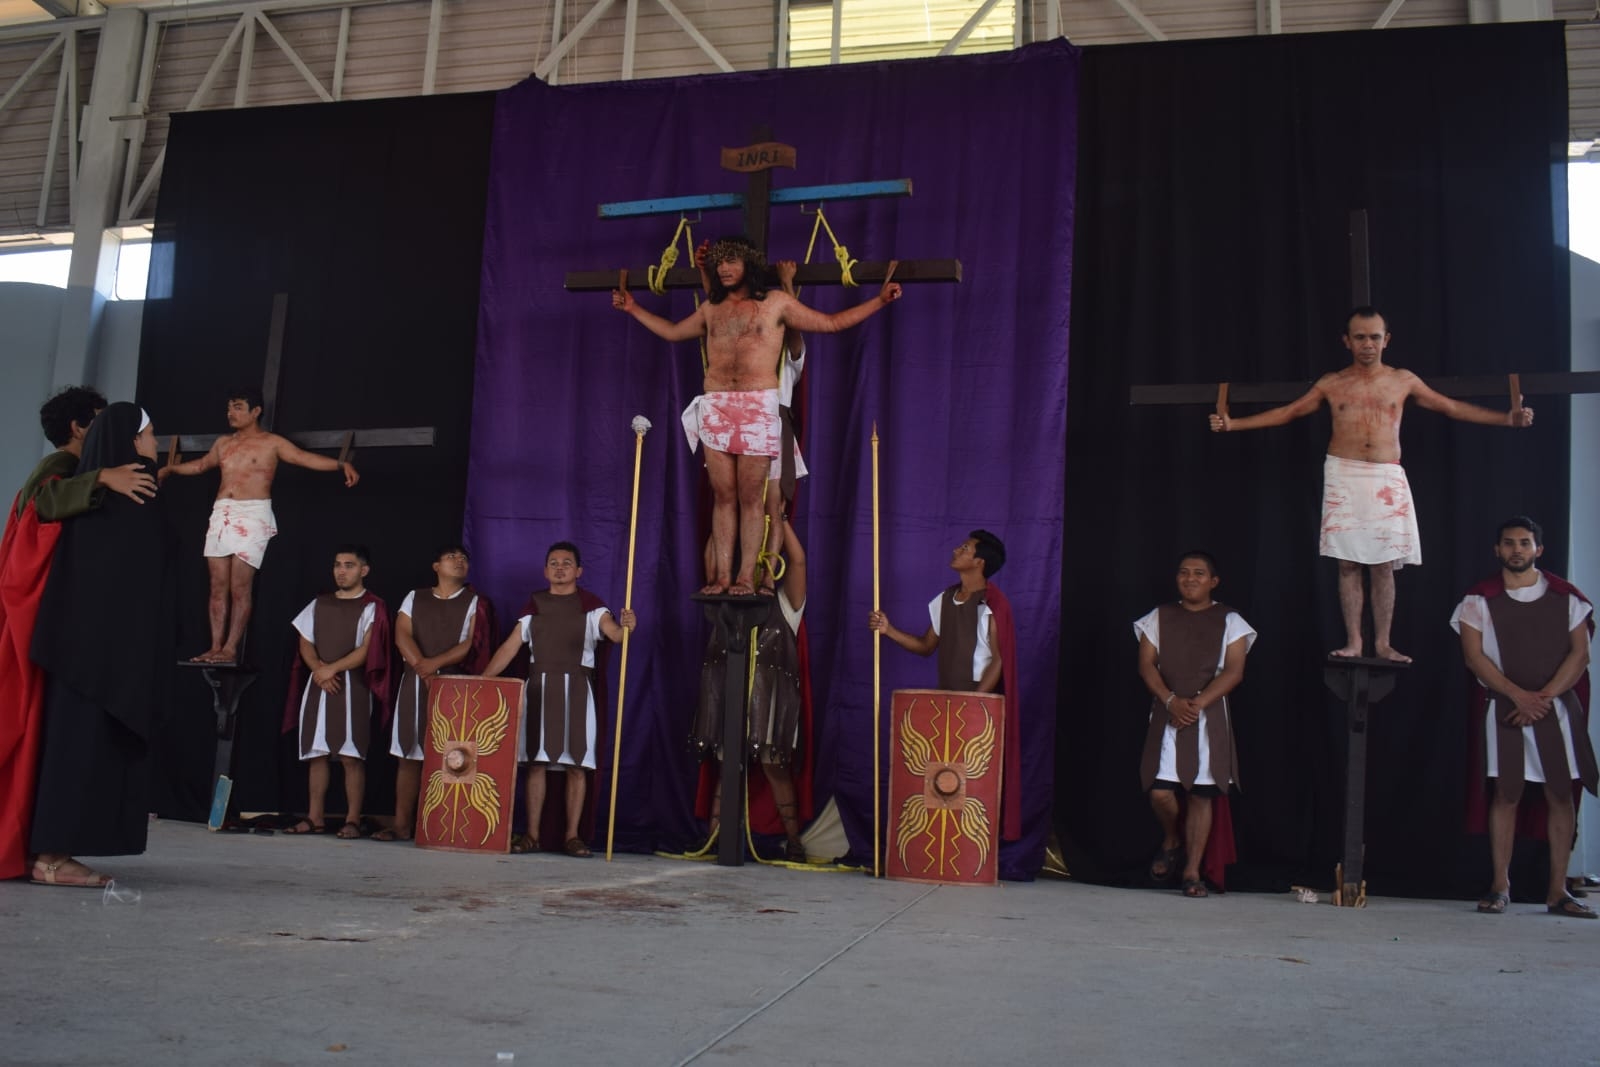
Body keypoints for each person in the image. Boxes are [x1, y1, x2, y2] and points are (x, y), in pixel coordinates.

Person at [1209, 307, 1533, 662]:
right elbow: (1290, 412)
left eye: (1375, 337)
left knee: (1384, 564)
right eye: (1360, 337)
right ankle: (1354, 642)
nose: (1368, 344)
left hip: (1385, 475)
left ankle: (1382, 643)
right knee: (1347, 563)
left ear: (1386, 340)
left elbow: (1450, 407)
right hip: (1343, 473)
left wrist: (1506, 419)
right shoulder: (1332, 382)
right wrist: (1233, 425)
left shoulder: (1402, 380)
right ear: (1347, 341)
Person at [614, 236, 901, 596]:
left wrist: (878, 300)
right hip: (716, 404)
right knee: (723, 495)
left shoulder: (777, 303)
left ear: (748, 263)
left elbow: (831, 323)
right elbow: (673, 332)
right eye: (719, 263)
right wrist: (633, 308)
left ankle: (746, 576)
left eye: (731, 260)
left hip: (756, 408)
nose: (724, 268)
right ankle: (721, 576)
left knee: (752, 497)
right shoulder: (711, 309)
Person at [1, 387, 156, 881]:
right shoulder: (58, 469)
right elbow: (41, 508)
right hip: (36, 619)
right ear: (78, 428)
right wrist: (103, 476)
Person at [1452, 516, 1596, 918]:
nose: (1517, 549)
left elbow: (1580, 655)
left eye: (1525, 543)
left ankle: (1557, 891)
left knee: (1560, 794)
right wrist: (1518, 695)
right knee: (1507, 792)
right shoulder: (1477, 599)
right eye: (1509, 543)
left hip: (1557, 712)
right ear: (1498, 550)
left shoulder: (1568, 599)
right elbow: (1473, 656)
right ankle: (1500, 885)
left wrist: (1543, 698)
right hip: (1504, 709)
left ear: (1539, 550)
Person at [159, 386, 360, 664]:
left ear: (256, 411)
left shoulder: (271, 443)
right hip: (222, 513)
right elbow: (201, 465)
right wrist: (170, 469)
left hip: (252, 514)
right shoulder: (223, 443)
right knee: (217, 585)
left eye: (238, 407)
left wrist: (340, 465)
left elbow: (303, 458)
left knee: (240, 586)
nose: (231, 413)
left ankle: (230, 647)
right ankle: (215, 646)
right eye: (229, 407)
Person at [482, 542, 635, 857]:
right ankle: (533, 835)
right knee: (537, 764)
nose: (560, 567)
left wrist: (627, 627)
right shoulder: (534, 607)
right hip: (539, 691)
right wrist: (483, 682)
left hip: (579, 692)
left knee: (576, 765)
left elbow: (615, 635)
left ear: (578, 571)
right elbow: (510, 647)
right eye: (554, 562)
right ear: (545, 570)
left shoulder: (592, 607)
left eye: (567, 563)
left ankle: (572, 836)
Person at [868, 530, 1023, 841]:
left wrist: (977, 704)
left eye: (964, 548)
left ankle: (971, 844)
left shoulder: (993, 605)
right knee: (941, 777)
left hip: (980, 704)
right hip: (945, 702)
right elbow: (927, 645)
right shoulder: (944, 600)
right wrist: (889, 631)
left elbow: (998, 660)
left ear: (978, 562)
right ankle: (939, 845)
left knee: (972, 781)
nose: (956, 550)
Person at [1133, 551, 1255, 897]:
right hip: (1167, 712)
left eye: (1199, 573)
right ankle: (1172, 838)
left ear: (1213, 581)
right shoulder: (1158, 617)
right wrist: (1172, 701)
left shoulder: (1231, 620)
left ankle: (1191, 872)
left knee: (1202, 795)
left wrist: (1197, 704)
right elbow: (1146, 665)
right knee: (1161, 791)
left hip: (1209, 715)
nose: (1190, 578)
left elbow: (1234, 670)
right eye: (1184, 572)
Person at [691, 517, 810, 861]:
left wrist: (778, 518)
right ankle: (716, 837)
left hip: (772, 700)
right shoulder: (722, 600)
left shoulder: (785, 602)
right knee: (726, 767)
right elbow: (712, 554)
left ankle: (794, 839)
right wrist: (726, 514)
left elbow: (798, 561)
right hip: (729, 696)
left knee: (775, 765)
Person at [380, 544, 493, 842]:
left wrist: (433, 665)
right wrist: (421, 667)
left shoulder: (474, 601)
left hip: (454, 687)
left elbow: (470, 642)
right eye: (452, 557)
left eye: (464, 558)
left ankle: (445, 827)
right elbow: (401, 632)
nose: (459, 562)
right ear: (436, 566)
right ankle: (402, 823)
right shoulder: (414, 597)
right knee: (408, 754)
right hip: (415, 683)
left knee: (455, 758)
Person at [282, 544, 391, 838]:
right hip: (319, 686)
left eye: (349, 565)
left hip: (352, 687)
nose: (341, 571)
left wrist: (332, 669)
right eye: (337, 565)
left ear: (363, 570)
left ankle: (352, 819)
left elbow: (368, 650)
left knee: (350, 755)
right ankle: (314, 818)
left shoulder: (372, 606)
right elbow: (305, 641)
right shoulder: (319, 603)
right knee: (316, 754)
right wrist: (319, 669)